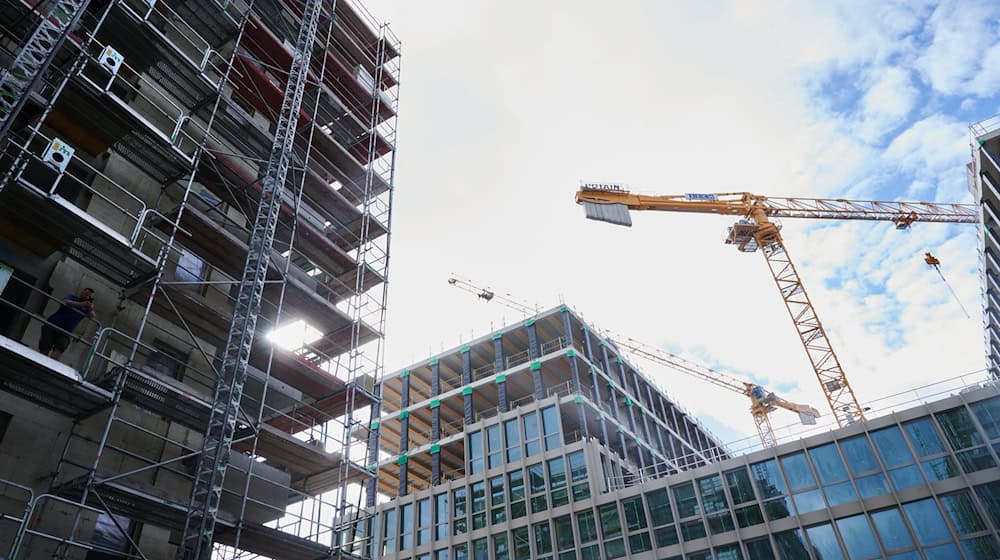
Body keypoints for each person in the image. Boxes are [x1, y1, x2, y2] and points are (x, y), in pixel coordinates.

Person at [39, 288, 95, 360]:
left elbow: (92, 316)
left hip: (66, 332)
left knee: (60, 349)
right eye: (86, 294)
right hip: (52, 325)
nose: (87, 297)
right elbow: (65, 302)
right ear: (82, 293)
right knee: (45, 347)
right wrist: (81, 304)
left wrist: (90, 308)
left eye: (90, 297)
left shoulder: (87, 307)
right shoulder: (72, 297)